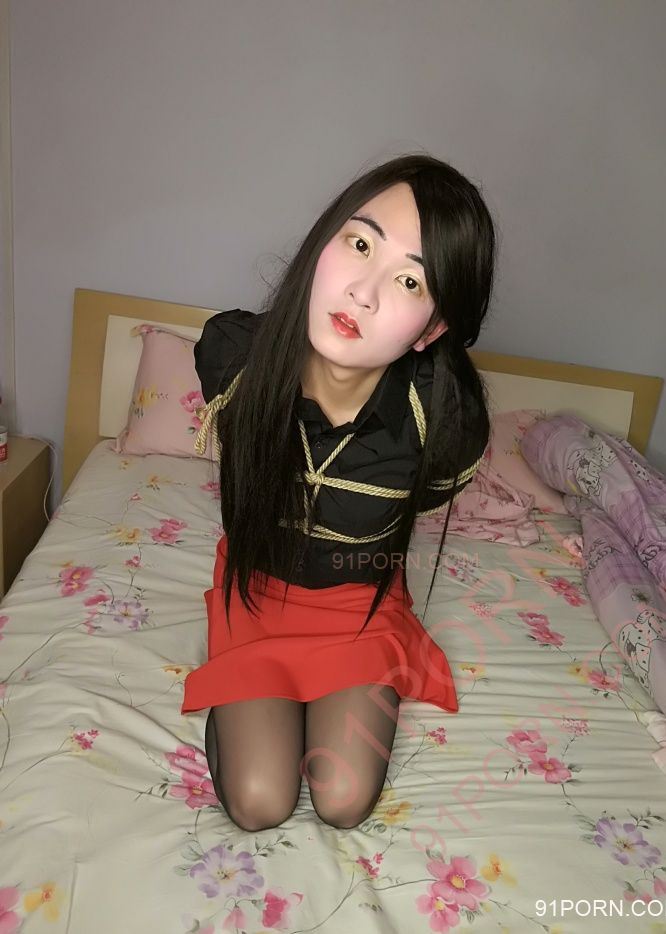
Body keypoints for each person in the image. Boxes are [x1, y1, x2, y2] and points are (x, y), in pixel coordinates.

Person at [180, 152, 496, 832]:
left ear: (433, 328)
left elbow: (421, 499)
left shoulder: (444, 422)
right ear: (324, 241)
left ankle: (333, 686)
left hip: (359, 601)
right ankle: (245, 702)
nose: (363, 294)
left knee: (343, 799)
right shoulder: (235, 359)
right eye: (359, 245)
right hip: (256, 590)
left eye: (409, 281)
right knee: (260, 801)